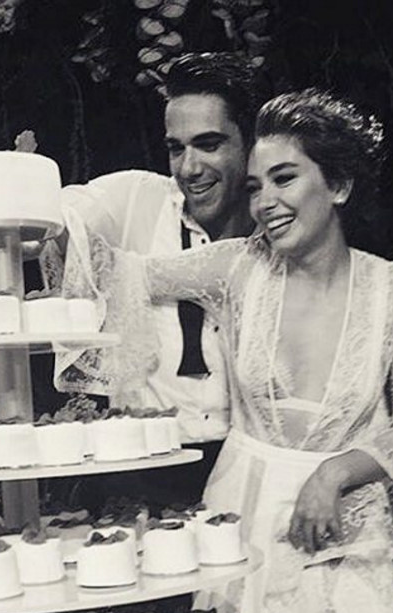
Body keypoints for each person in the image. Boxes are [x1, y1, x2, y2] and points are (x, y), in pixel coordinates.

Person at [60, 88, 393, 613]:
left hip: (342, 533)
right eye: (255, 186)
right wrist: (50, 209)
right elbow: (121, 271)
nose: (265, 202)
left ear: (337, 185)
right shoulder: (235, 268)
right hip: (241, 525)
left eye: (285, 179)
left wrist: (336, 473)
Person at [43, 52, 271, 509]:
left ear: (251, 144)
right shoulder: (136, 200)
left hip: (254, 472)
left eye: (208, 144)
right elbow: (59, 214)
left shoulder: (280, 224)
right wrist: (26, 214)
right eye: (176, 148)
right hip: (142, 475)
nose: (189, 168)